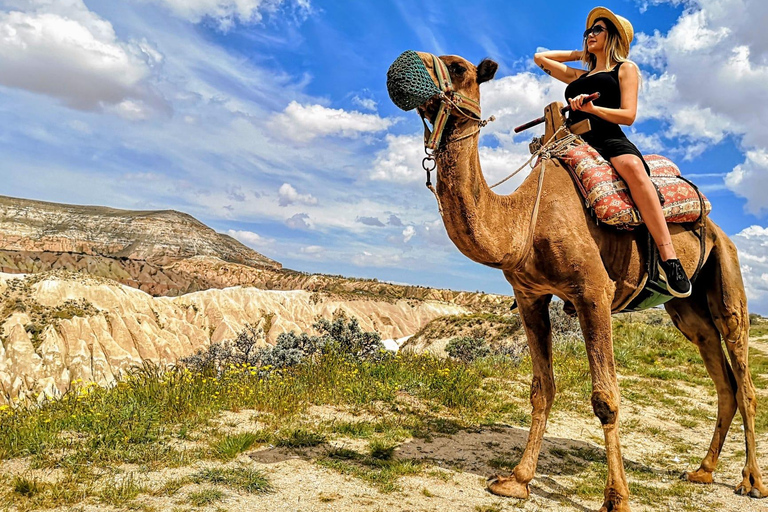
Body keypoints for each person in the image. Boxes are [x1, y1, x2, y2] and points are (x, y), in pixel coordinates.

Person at [533, 6, 692, 298]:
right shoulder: (579, 77)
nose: (590, 34)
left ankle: (670, 260)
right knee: (541, 180)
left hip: (608, 137)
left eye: (598, 30)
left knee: (632, 168)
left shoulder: (624, 69)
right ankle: (537, 271)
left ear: (614, 37)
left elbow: (628, 115)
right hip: (575, 141)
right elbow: (540, 58)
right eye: (587, 32)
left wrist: (592, 108)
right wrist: (584, 53)